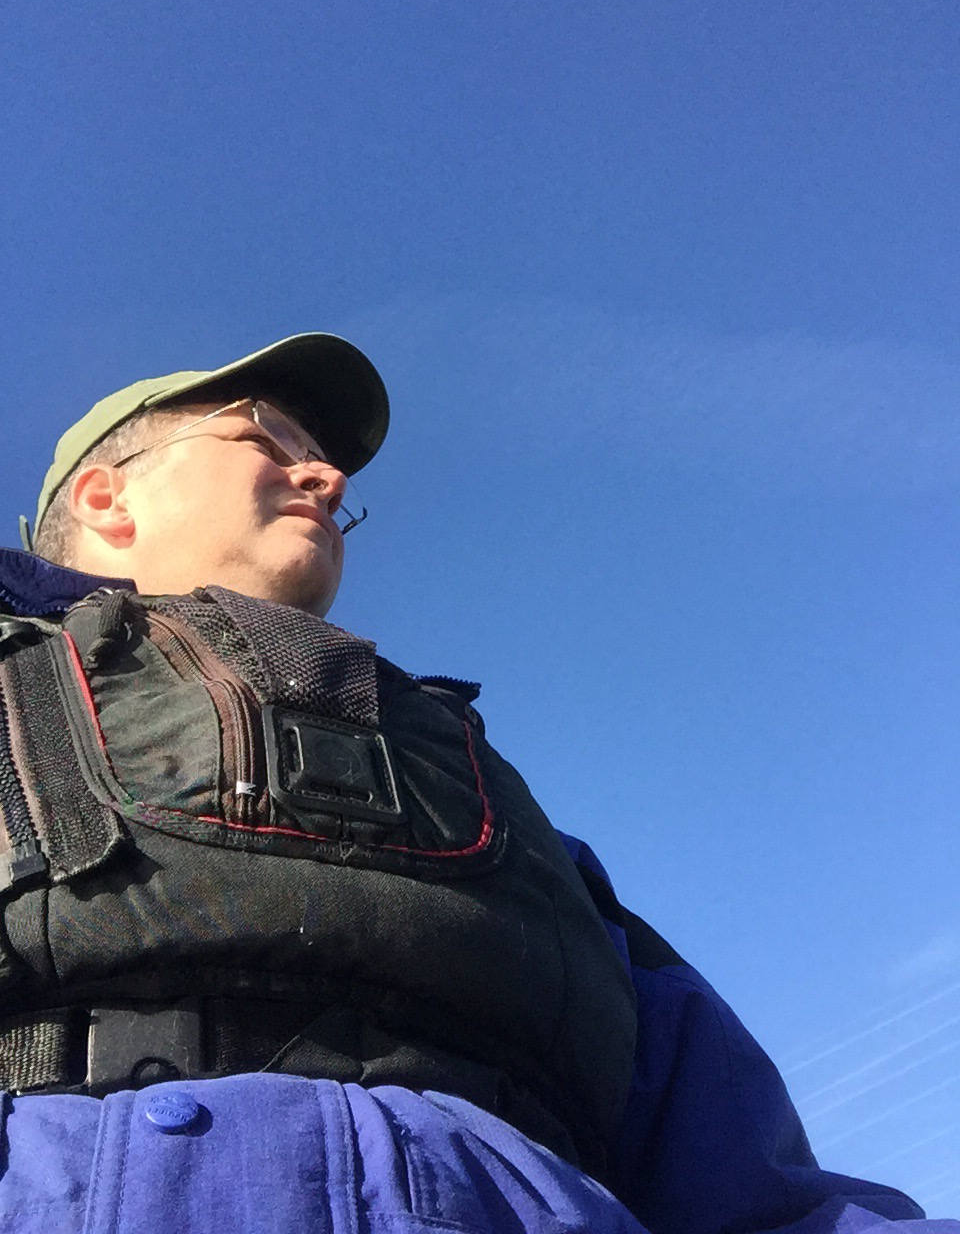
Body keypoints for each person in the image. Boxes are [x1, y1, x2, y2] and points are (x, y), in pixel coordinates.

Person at [0, 333, 953, 1234]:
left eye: (323, 460)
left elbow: (760, 1188)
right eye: (267, 438)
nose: (328, 479)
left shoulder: (506, 812)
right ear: (107, 498)